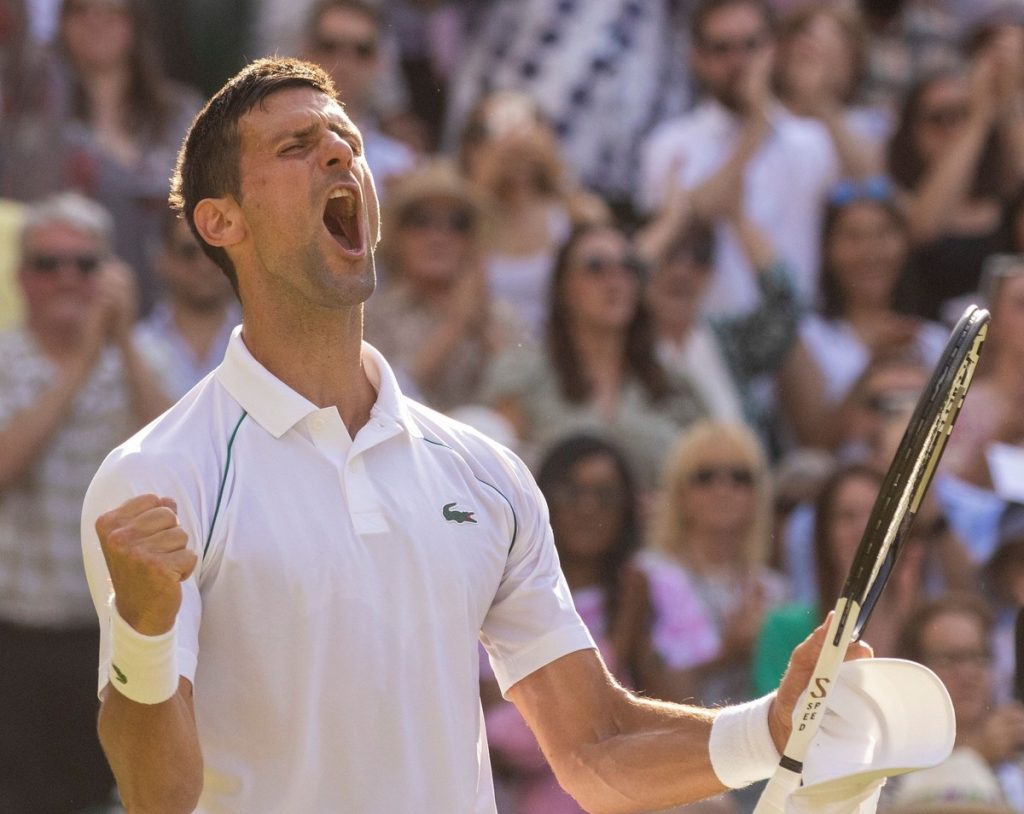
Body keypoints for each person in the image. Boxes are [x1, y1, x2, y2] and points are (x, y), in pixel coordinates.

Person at [80, 57, 863, 814]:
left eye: (347, 142)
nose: (339, 155)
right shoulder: (156, 480)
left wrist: (770, 731)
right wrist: (145, 632)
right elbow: (158, 800)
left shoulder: (486, 474)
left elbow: (594, 750)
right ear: (220, 221)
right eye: (297, 146)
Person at [0, 191, 169, 812]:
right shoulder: (3, 360)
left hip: (108, 633)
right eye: (50, 264)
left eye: (86, 264)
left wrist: (119, 345)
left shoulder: (141, 358)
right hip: (14, 634)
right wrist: (77, 366)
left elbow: (177, 469)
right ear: (23, 278)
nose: (68, 277)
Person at [638, 0, 843, 315]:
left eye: (751, 45)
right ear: (697, 58)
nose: (739, 61)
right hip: (705, 342)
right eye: (722, 49)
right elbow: (683, 225)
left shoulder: (811, 140)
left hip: (798, 340)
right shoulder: (670, 143)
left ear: (773, 49)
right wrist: (755, 129)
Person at [483, 221, 706, 491]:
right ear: (564, 287)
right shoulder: (521, 373)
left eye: (628, 268)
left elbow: (707, 474)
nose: (615, 280)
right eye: (596, 267)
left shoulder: (674, 385)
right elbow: (499, 481)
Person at [643, 419, 787, 709]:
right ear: (679, 493)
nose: (723, 488)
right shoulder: (649, 577)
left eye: (740, 477)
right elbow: (642, 683)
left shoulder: (774, 589)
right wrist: (727, 654)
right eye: (705, 477)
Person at [364, 159, 522, 412]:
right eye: (421, 221)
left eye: (457, 224)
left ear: (472, 241)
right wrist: (456, 326)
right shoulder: (371, 314)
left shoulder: (497, 314)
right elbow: (387, 398)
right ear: (397, 237)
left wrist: (481, 326)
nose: (438, 236)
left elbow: (524, 393)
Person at [894, 593, 1024, 810]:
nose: (968, 672)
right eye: (949, 659)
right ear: (915, 670)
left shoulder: (1016, 753)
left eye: (978, 656)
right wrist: (975, 757)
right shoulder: (890, 761)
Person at [301, 0, 416, 196]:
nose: (345, 61)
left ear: (380, 61)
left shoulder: (401, 166)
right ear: (305, 51)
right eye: (329, 46)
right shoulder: (272, 148)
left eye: (362, 50)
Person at [132, 208, 241, 401]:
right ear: (162, 258)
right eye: (189, 252)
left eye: (216, 251)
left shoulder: (262, 345)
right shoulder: (135, 344)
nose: (205, 264)